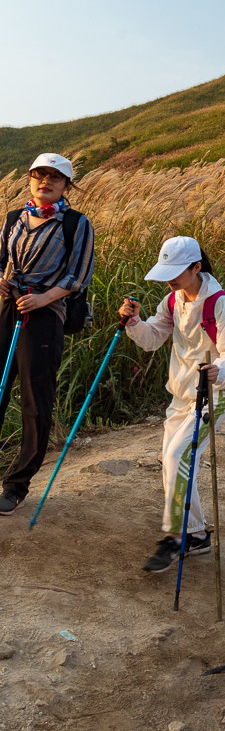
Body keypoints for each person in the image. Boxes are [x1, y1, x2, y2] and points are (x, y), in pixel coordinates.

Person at [119, 236, 225, 573]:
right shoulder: (172, 300)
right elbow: (151, 340)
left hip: (215, 393)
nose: (170, 278)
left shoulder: (220, 304)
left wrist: (221, 369)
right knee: (172, 461)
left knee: (178, 457)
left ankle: (174, 538)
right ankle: (197, 534)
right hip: (181, 394)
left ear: (196, 267)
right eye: (167, 271)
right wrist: (133, 322)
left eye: (177, 271)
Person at [0, 153, 95, 515]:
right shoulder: (13, 218)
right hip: (12, 305)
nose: (46, 182)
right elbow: (0, 260)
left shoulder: (76, 223)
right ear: (29, 180)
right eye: (39, 175)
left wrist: (42, 299)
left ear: (66, 185)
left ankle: (16, 486)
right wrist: (3, 283)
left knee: (34, 399)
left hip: (45, 312)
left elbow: (78, 276)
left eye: (55, 177)